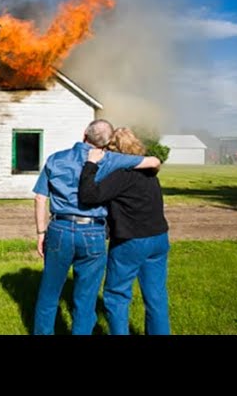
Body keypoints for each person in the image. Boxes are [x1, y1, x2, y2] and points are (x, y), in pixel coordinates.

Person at [32, 119, 162, 335]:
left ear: (84, 134)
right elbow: (152, 162)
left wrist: (41, 233)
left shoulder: (56, 159)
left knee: (49, 294)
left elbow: (39, 198)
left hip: (59, 229)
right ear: (107, 141)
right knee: (86, 298)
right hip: (93, 232)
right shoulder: (111, 160)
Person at [78, 127, 170, 335]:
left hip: (131, 241)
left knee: (116, 295)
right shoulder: (149, 173)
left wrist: (90, 165)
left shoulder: (122, 174)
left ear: (113, 149)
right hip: (159, 238)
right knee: (156, 297)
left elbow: (89, 195)